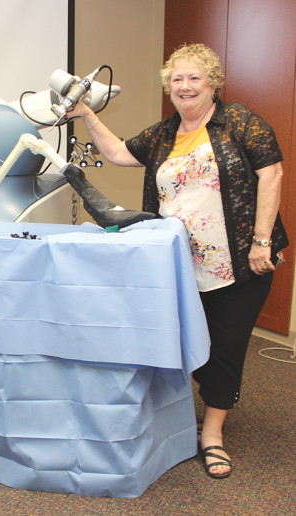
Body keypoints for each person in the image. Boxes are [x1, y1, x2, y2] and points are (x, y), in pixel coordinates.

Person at [70, 43, 288, 479]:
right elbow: (117, 154)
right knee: (187, 346)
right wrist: (87, 116)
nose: (184, 86)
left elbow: (272, 172)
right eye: (176, 79)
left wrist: (262, 241)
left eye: (194, 78)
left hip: (240, 263)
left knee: (224, 349)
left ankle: (212, 434)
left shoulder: (238, 121)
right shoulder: (165, 133)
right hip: (180, 267)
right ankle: (186, 414)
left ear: (213, 84)